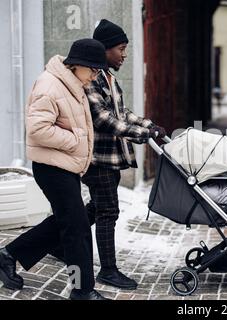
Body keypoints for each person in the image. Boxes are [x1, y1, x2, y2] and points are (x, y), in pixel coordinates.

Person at [0, 39, 117, 300]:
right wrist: (77, 140)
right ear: (77, 65)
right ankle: (82, 290)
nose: (95, 75)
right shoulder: (50, 85)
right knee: (77, 229)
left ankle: (9, 255)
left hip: (64, 166)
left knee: (66, 222)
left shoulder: (73, 84)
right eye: (94, 70)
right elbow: (38, 129)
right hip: (51, 168)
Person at [77, 19, 166, 290]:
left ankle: (55, 239)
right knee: (108, 211)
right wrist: (141, 135)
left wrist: (149, 125)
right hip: (99, 159)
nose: (124, 55)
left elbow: (121, 113)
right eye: (121, 48)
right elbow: (103, 119)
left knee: (94, 209)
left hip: (112, 158)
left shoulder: (110, 79)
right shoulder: (90, 79)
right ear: (104, 49)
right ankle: (108, 270)